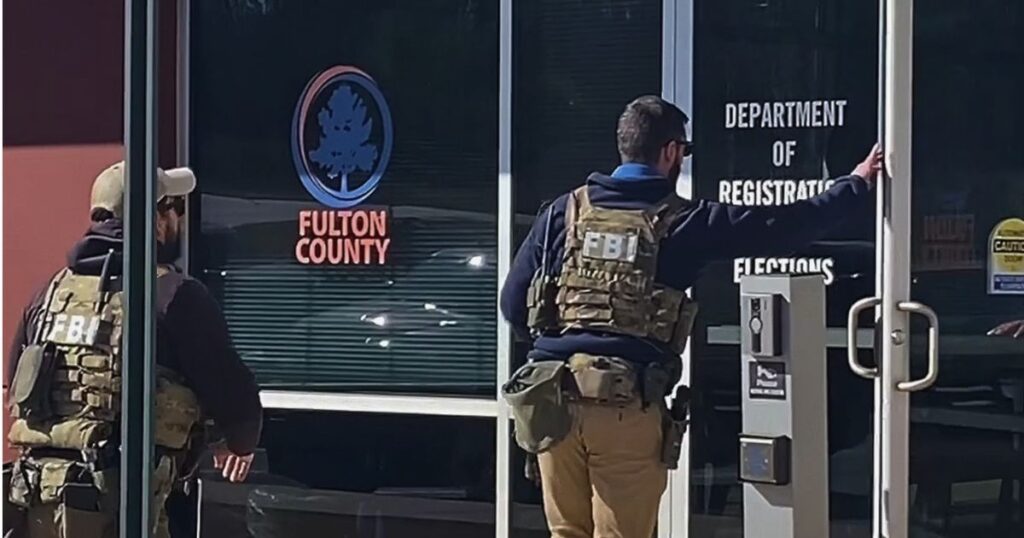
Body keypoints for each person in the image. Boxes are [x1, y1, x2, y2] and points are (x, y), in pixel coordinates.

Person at [499, 95, 882, 538]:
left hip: (551, 407)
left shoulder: (561, 214)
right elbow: (783, 227)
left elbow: (513, 304)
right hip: (625, 404)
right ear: (670, 152)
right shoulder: (683, 223)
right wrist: (855, 184)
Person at [4, 162, 264, 538]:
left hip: (41, 505)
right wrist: (237, 443)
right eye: (173, 207)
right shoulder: (174, 295)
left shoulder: (49, 294)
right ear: (154, 219)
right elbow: (234, 395)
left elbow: (16, 386)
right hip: (122, 509)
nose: (178, 218)